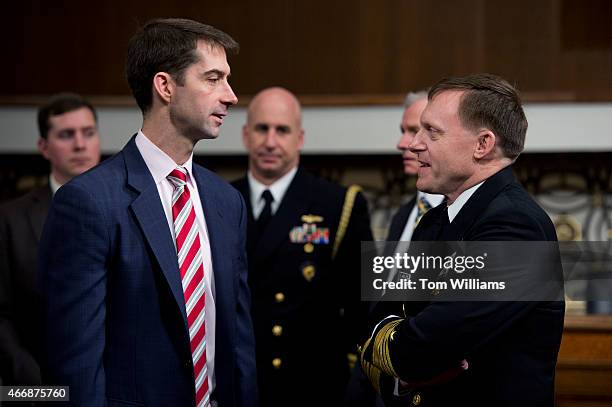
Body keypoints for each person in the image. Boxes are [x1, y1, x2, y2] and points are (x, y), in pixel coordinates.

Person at [39, 18, 257, 407]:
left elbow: (238, 340)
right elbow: (75, 362)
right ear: (165, 86)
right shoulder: (88, 202)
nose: (231, 96)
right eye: (213, 78)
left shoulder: (227, 202)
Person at [359, 73, 564, 406]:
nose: (414, 144)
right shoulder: (434, 221)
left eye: (432, 132)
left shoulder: (516, 227)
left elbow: (420, 346)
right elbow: (379, 318)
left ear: (482, 145)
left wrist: (410, 343)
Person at [232, 87, 373, 407]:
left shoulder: (339, 204)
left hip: (315, 386)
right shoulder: (221, 200)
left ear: (300, 138)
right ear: (245, 135)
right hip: (242, 384)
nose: (270, 141)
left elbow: (361, 305)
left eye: (282, 130)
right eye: (261, 129)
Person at [0, 93, 101, 385]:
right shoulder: (10, 219)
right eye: (66, 135)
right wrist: (30, 378)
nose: (80, 144)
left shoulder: (131, 207)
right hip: (37, 385)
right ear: (44, 147)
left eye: (88, 133)